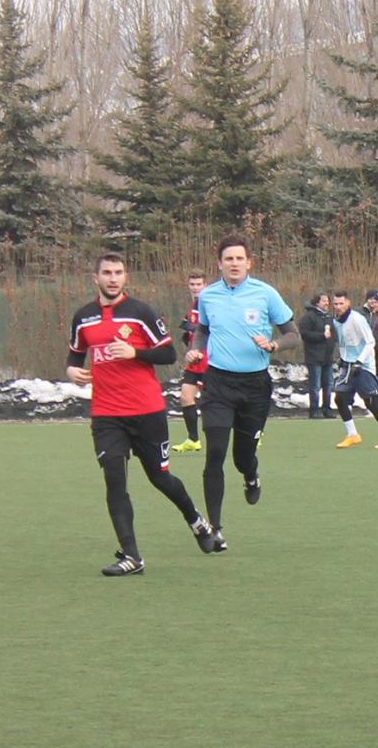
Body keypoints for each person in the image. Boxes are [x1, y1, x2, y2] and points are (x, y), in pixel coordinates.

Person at [66, 252, 216, 574]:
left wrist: (134, 352)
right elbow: (75, 354)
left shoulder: (140, 313)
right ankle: (132, 557)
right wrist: (71, 370)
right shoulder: (83, 317)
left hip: (146, 411)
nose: (113, 278)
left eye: (118, 272)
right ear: (96, 278)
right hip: (106, 414)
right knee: (114, 480)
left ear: (125, 277)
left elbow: (168, 354)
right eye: (107, 273)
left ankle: (196, 521)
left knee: (159, 477)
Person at [184, 237, 294, 548]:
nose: (234, 263)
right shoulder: (208, 296)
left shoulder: (265, 293)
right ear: (219, 264)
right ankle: (214, 529)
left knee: (242, 457)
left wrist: (274, 345)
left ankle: (251, 475)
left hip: (255, 386)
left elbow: (292, 334)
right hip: (218, 383)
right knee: (215, 452)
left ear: (249, 263)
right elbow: (203, 329)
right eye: (228, 259)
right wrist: (196, 349)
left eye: (239, 258)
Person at [330, 291, 378, 449]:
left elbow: (370, 342)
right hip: (348, 365)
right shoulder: (336, 321)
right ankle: (353, 435)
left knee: (370, 401)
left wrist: (360, 361)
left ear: (348, 303)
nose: (338, 307)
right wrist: (343, 358)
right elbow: (344, 342)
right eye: (336, 304)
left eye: (341, 303)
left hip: (363, 366)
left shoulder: (357, 319)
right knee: (340, 399)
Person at [174, 272, 209, 450]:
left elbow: (215, 330)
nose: (195, 288)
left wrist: (203, 350)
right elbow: (192, 328)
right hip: (194, 361)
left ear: (205, 285)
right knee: (186, 397)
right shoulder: (194, 304)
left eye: (198, 284)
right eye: (192, 284)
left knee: (219, 402)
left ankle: (252, 432)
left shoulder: (209, 303)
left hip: (209, 361)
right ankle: (193, 439)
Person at [298, 292, 335, 419]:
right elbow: (305, 334)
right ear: (317, 302)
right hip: (314, 357)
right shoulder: (308, 317)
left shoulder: (329, 317)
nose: (327, 303)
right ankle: (314, 410)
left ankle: (327, 409)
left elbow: (334, 335)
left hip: (328, 357)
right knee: (315, 385)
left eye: (328, 301)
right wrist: (321, 336)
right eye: (324, 301)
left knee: (328, 385)